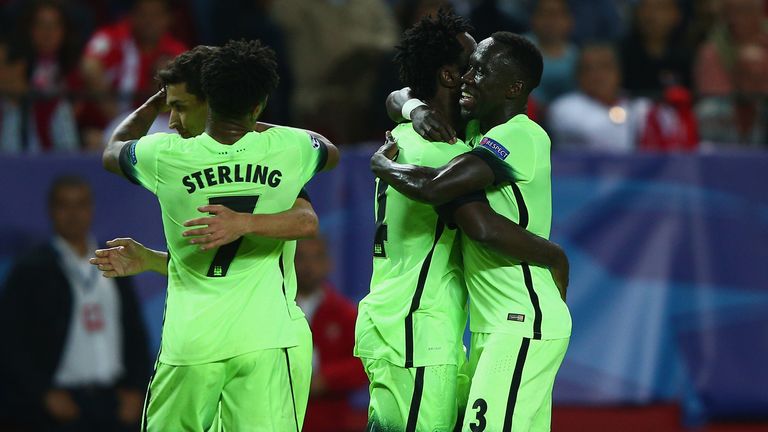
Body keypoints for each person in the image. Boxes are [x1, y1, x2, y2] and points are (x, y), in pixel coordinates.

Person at [101, 39, 339, 430]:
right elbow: (328, 152)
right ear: (258, 104)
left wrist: (152, 104)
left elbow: (112, 150)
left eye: (178, 106)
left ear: (208, 98)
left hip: (192, 342)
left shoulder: (164, 155)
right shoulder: (287, 149)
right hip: (265, 339)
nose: (174, 119)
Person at [365, 16, 569, 430]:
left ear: (513, 88)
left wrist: (382, 163)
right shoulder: (462, 136)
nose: (471, 78)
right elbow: (397, 96)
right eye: (468, 67)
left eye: (480, 69)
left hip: (515, 318)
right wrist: (413, 104)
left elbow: (475, 220)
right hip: (463, 323)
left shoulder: (517, 135)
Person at [0, 175, 150, 432]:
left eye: (81, 205)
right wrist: (42, 393)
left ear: (91, 209)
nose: (73, 214)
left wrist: (137, 389)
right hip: (61, 407)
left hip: (115, 402)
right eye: (64, 205)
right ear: (51, 210)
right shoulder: (32, 270)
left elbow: (135, 332)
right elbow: (11, 340)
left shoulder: (113, 262)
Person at [80, 0, 186, 144]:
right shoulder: (113, 37)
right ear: (132, 15)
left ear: (168, 19)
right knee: (92, 139)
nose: (149, 21)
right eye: (143, 14)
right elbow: (89, 66)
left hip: (158, 126)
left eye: (155, 15)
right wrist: (119, 118)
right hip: (112, 124)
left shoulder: (176, 51)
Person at [294, 237, 368, 432]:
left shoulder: (345, 313)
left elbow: (363, 363)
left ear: (328, 263)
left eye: (316, 257)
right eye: (301, 257)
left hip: (330, 420)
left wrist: (325, 379)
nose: (308, 265)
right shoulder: (275, 310)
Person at [548, 44, 650, 151]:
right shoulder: (564, 107)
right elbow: (598, 135)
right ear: (578, 75)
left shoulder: (639, 105)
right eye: (589, 69)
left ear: (619, 73)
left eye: (605, 67)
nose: (598, 75)